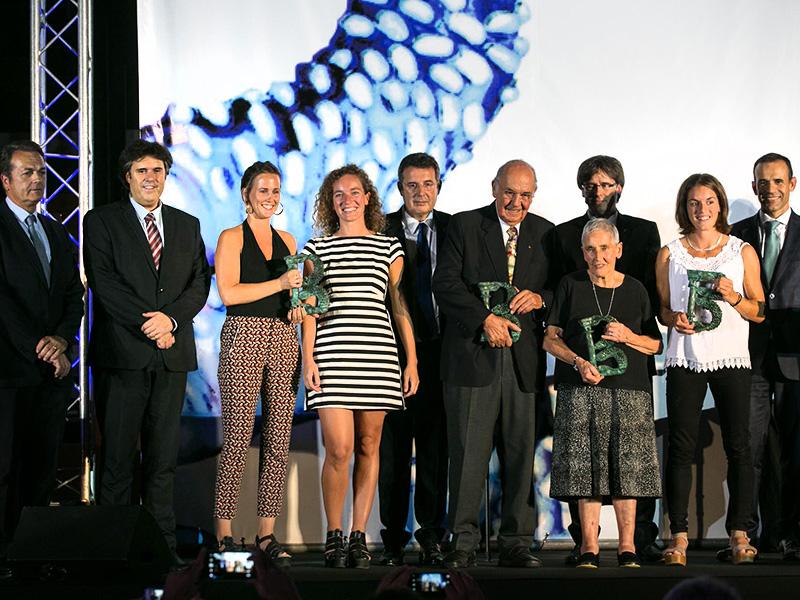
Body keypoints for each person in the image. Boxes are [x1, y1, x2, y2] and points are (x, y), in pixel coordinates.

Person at [83, 139, 211, 558]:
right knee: (117, 461)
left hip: (171, 358)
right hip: (123, 357)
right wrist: (152, 326)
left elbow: (199, 283)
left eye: (157, 171)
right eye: (142, 171)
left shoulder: (187, 224)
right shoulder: (100, 222)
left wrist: (171, 320)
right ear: (127, 177)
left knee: (162, 463)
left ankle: (161, 549)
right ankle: (112, 550)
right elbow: (104, 284)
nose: (151, 178)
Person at [432, 159, 552, 568]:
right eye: (509, 192)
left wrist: (541, 299)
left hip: (522, 365)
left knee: (521, 454)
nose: (516, 202)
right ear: (494, 188)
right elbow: (444, 284)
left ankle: (516, 541)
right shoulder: (465, 226)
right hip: (471, 358)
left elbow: (561, 288)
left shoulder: (544, 232)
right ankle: (463, 542)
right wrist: (484, 318)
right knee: (467, 456)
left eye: (525, 195)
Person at [301, 164, 419, 568]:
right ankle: (333, 534)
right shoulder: (316, 250)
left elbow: (398, 306)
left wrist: (412, 361)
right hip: (332, 356)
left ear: (367, 197)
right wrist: (308, 359)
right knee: (340, 449)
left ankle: (358, 535)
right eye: (338, 195)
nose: (347, 200)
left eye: (354, 192)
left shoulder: (388, 248)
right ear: (329, 203)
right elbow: (310, 309)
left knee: (370, 446)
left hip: (378, 357)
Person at [550, 155, 663, 562]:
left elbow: (654, 333)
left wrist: (632, 336)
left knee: (631, 467)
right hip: (582, 380)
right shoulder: (566, 257)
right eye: (590, 184)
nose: (598, 256)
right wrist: (577, 361)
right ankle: (588, 544)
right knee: (583, 466)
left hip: (630, 379)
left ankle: (635, 544)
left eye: (606, 183)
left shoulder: (639, 262)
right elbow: (553, 329)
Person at [655, 173, 765, 566]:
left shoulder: (741, 251)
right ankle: (678, 538)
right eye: (694, 203)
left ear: (720, 205)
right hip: (686, 358)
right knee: (679, 449)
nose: (702, 210)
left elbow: (759, 310)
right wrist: (673, 319)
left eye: (709, 202)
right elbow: (663, 308)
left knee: (740, 446)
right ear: (684, 208)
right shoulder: (670, 253)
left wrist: (733, 295)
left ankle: (739, 534)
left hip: (731, 358)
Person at [211, 161, 304, 565]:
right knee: (237, 437)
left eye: (275, 190)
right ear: (247, 193)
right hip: (243, 334)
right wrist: (281, 284)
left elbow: (297, 293)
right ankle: (225, 533)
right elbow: (229, 294)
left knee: (279, 438)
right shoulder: (231, 237)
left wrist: (301, 304)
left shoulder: (288, 238)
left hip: (283, 336)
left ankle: (267, 534)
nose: (270, 197)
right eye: (263, 189)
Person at [0, 141, 83, 579]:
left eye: (41, 172)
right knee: (5, 467)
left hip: (51, 375)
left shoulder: (52, 230)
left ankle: (33, 553)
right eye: (27, 172)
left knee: (41, 468)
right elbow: (4, 302)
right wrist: (40, 345)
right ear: (6, 180)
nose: (36, 179)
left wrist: (63, 341)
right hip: (10, 371)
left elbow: (74, 293)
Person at [378, 153, 450, 566]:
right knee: (392, 449)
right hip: (389, 352)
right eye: (412, 185)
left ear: (438, 186)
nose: (420, 193)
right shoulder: (379, 228)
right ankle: (392, 538)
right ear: (400, 187)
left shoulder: (457, 228)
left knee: (435, 450)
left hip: (442, 355)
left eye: (428, 184)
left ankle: (431, 534)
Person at [730, 153, 800, 560]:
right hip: (748, 358)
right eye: (762, 181)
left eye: (777, 181)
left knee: (795, 453)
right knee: (749, 450)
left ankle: (792, 534)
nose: (769, 189)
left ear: (791, 184)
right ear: (753, 185)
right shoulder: (735, 236)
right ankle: (747, 536)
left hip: (796, 360)